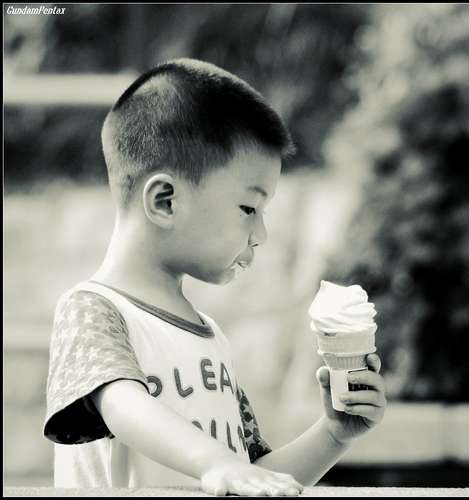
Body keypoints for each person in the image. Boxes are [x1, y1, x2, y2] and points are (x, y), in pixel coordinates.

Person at [43, 58, 387, 496]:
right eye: (249, 208)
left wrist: (333, 435)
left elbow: (252, 475)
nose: (261, 234)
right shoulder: (92, 310)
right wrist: (215, 462)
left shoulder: (210, 336)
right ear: (165, 201)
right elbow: (122, 404)